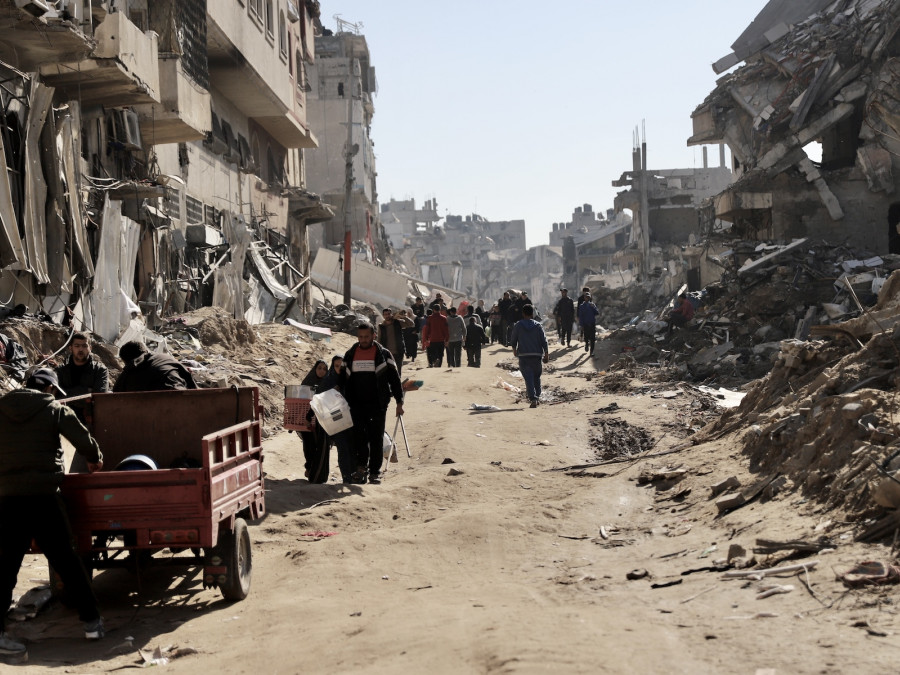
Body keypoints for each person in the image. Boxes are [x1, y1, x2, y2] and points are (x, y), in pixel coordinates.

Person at [0, 369, 105, 656]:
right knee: (67, 561)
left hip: (8, 499)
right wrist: (95, 459)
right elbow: (83, 439)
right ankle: (92, 623)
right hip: (45, 498)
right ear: (49, 389)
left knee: (7, 566)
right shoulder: (53, 409)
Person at [341, 322, 404, 484]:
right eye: (360, 337)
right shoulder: (350, 354)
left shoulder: (383, 354)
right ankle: (361, 468)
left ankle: (375, 471)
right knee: (359, 437)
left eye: (366, 337)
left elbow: (394, 379)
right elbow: (342, 379)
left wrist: (399, 401)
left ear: (374, 335)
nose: (363, 340)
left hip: (378, 404)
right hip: (355, 404)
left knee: (376, 438)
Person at [55, 331, 109, 422]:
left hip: (90, 419)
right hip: (65, 418)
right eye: (77, 346)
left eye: (84, 346)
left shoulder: (100, 370)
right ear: (70, 348)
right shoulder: (61, 370)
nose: (80, 349)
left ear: (90, 348)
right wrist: (86, 391)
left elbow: (99, 397)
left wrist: (68, 394)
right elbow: (57, 396)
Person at [318, 356, 356, 484]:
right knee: (342, 448)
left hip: (353, 418)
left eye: (341, 365)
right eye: (336, 366)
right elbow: (319, 399)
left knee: (354, 447)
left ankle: (356, 474)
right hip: (337, 421)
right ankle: (346, 476)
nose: (339, 368)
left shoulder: (353, 378)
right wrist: (331, 392)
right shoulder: (329, 381)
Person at [113, 341, 198, 392]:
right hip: (182, 402)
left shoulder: (127, 372)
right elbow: (194, 389)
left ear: (126, 361)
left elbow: (116, 396)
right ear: (146, 350)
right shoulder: (168, 359)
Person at [510, 305, 549, 408]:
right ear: (532, 314)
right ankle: (537, 396)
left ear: (523, 313)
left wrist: (514, 349)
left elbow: (513, 339)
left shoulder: (518, 325)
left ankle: (533, 398)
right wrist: (546, 353)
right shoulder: (538, 326)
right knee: (536, 377)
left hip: (524, 356)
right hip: (536, 355)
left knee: (528, 378)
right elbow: (544, 340)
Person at [300, 360, 330, 483]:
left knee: (319, 446)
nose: (321, 371)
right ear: (315, 369)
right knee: (308, 445)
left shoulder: (328, 383)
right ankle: (309, 467)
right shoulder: (307, 382)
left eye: (324, 369)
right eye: (319, 368)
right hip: (306, 419)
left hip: (321, 421)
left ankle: (315, 471)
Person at [378, 308, 413, 375]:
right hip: (387, 353)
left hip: (398, 352)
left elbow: (411, 324)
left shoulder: (398, 322)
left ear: (391, 314)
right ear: (383, 315)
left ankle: (398, 384)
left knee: (398, 371)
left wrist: (404, 317)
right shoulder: (381, 326)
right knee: (388, 372)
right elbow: (379, 339)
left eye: (388, 314)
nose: (387, 316)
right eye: (385, 314)